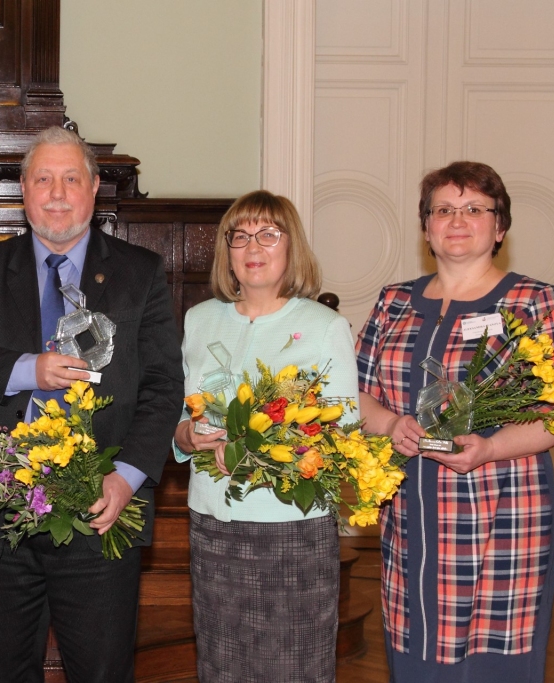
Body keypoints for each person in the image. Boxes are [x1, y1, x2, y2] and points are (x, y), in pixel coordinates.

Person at [0, 126, 184, 683]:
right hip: (1, 516)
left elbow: (163, 386)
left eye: (71, 179)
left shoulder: (141, 274)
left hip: (101, 512)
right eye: (44, 179)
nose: (57, 192)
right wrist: (27, 369)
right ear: (24, 190)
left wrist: (127, 477)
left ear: (93, 189)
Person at [356, 161, 554, 682]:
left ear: (499, 227)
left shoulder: (535, 301)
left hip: (501, 512)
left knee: (494, 657)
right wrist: (390, 424)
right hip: (409, 509)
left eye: (475, 208)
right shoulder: (394, 303)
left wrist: (489, 448)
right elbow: (354, 394)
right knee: (414, 646)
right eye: (444, 210)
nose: (458, 220)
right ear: (426, 226)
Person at [172, 190, 355, 683]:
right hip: (213, 522)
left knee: (293, 663)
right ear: (227, 251)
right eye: (241, 235)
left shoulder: (325, 327)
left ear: (291, 246)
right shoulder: (199, 319)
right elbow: (182, 417)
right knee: (221, 663)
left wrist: (259, 457)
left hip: (291, 526)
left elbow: (343, 434)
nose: (254, 246)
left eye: (268, 234)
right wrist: (187, 436)